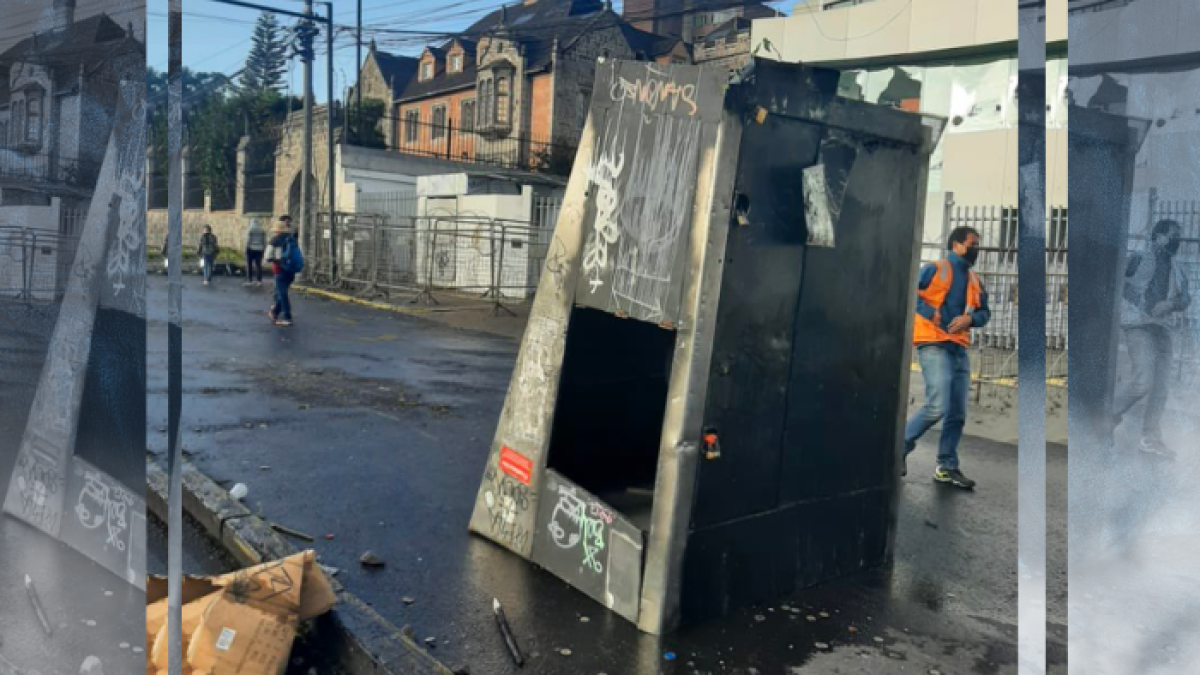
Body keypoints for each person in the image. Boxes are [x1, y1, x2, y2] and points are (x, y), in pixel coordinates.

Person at [902, 226, 992, 489]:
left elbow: (985, 312)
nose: (976, 249)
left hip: (958, 348)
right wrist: (930, 313)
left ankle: (947, 466)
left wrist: (970, 319)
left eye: (978, 244)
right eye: (972, 244)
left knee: (957, 413)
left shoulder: (974, 280)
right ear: (956, 245)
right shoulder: (936, 269)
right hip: (933, 343)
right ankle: (899, 448)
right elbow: (909, 290)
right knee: (937, 406)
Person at [1110, 219, 1190, 458]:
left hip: (1162, 328)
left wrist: (1170, 304)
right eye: (1173, 236)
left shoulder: (1177, 267)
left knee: (1161, 388)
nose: (1177, 241)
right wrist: (1141, 302)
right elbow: (1118, 283)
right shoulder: (1139, 258)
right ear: (1159, 237)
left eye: (1178, 236)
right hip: (1139, 325)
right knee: (1142, 381)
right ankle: (1106, 418)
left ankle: (1150, 439)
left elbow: (1186, 298)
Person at [266, 215, 297, 326]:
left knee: (282, 294)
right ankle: (274, 312)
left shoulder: (275, 240)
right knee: (282, 292)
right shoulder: (292, 239)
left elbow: (267, 257)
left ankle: (287, 317)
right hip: (291, 269)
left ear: (277, 230)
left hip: (280, 269)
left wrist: (276, 260)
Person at [244, 218, 267, 286]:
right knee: (258, 265)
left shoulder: (250, 229)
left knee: (249, 265)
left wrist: (246, 248)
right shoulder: (262, 230)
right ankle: (259, 281)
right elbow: (264, 241)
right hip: (260, 249)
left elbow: (248, 240)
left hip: (250, 249)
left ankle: (250, 280)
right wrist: (264, 248)